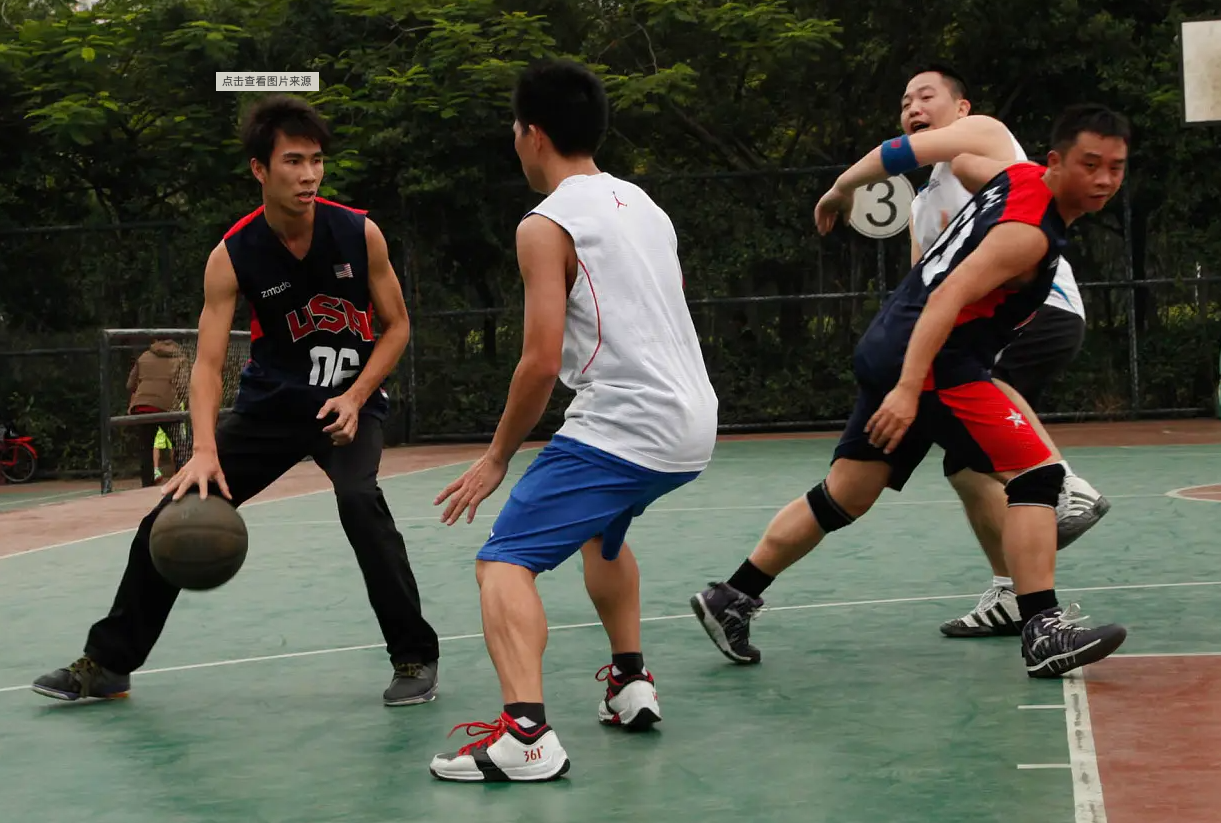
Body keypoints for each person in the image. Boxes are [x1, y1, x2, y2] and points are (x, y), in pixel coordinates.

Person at [691, 104, 1130, 679]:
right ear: (1055, 161)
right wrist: (906, 389)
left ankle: (732, 595)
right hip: (935, 360)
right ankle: (1043, 629)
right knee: (1039, 477)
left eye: (1115, 167)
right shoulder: (1026, 236)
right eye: (1089, 165)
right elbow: (947, 298)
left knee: (846, 493)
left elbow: (967, 163)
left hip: (893, 338)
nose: (1103, 180)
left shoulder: (1018, 177)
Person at [31, 94, 441, 707]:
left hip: (347, 406)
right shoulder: (233, 254)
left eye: (316, 161)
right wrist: (202, 451)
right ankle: (109, 664)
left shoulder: (359, 233)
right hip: (272, 407)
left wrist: (358, 396)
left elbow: (398, 326)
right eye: (293, 161)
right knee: (169, 515)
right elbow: (208, 363)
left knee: (361, 503)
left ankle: (414, 656)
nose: (308, 175)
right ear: (259, 169)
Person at [427, 59, 718, 783]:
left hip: (626, 423)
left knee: (503, 561)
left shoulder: (546, 222)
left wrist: (497, 456)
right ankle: (630, 681)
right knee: (601, 533)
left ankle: (525, 736)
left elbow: (538, 361)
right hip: (693, 421)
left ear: (532, 134)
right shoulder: (645, 206)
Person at [126, 339, 188, 485]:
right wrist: (184, 403)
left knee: (146, 447)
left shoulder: (144, 356)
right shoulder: (180, 358)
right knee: (180, 445)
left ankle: (147, 484)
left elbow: (130, 384)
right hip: (167, 406)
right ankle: (181, 479)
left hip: (142, 406)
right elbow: (183, 386)